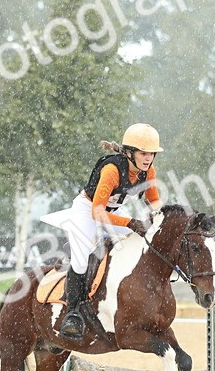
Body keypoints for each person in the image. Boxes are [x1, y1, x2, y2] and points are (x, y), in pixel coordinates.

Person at [58, 122, 163, 338]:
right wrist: (130, 223)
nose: (148, 158)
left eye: (151, 154)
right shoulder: (112, 170)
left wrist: (158, 218)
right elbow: (97, 212)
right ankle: (73, 314)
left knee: (137, 244)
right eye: (143, 153)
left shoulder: (148, 171)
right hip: (87, 210)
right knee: (80, 259)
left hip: (114, 211)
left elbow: (154, 201)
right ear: (129, 152)